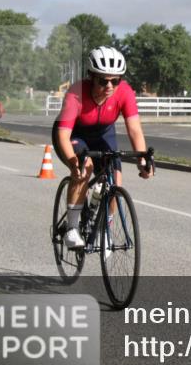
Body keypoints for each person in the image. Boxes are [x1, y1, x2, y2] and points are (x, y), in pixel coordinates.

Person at [52, 46, 153, 249]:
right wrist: (74, 163)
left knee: (115, 180)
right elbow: (63, 135)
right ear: (91, 77)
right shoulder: (76, 94)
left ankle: (103, 229)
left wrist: (142, 160)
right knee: (84, 167)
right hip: (74, 135)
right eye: (103, 80)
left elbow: (134, 130)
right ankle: (71, 228)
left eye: (115, 81)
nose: (109, 86)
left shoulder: (124, 92)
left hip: (103, 134)